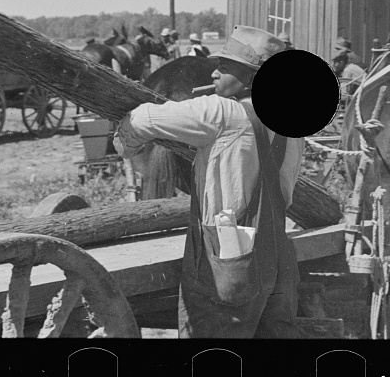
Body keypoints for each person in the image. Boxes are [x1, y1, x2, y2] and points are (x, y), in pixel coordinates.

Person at [114, 26, 305, 338]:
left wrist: (124, 145)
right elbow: (286, 192)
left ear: (254, 77)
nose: (214, 73)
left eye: (225, 67)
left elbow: (144, 119)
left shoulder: (222, 112)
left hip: (229, 258)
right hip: (277, 256)